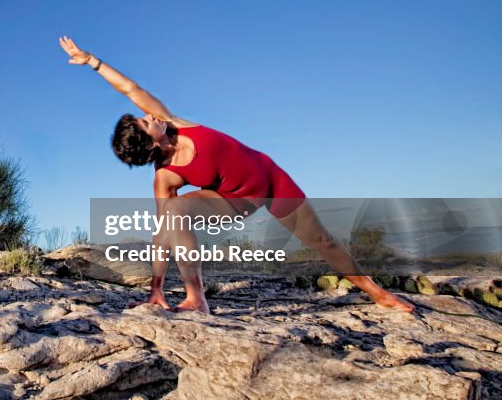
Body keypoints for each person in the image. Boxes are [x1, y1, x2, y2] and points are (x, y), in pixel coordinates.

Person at [59, 35, 414, 314]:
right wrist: (155, 289)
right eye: (145, 123)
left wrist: (93, 61)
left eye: (145, 116)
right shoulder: (165, 176)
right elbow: (162, 235)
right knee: (173, 213)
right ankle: (196, 298)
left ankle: (378, 293)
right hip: (236, 200)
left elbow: (131, 89)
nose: (150, 117)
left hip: (273, 180)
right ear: (149, 146)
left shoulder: (175, 124)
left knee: (323, 242)